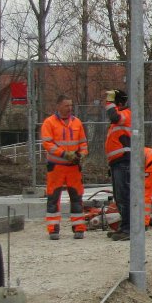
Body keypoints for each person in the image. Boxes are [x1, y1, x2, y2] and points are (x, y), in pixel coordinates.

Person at [40, 94, 89, 239]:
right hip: (56, 167)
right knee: (53, 198)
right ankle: (53, 229)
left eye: (71, 105)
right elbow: (48, 144)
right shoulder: (49, 123)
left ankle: (79, 228)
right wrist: (64, 154)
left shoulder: (77, 123)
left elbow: (83, 143)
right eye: (66, 105)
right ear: (58, 106)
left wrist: (82, 154)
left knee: (77, 197)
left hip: (73, 167)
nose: (69, 108)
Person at [104, 89, 132, 241]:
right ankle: (124, 227)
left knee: (124, 196)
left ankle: (128, 229)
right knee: (119, 197)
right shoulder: (121, 119)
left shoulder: (126, 114)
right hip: (117, 162)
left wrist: (109, 102)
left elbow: (114, 116)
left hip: (123, 162)